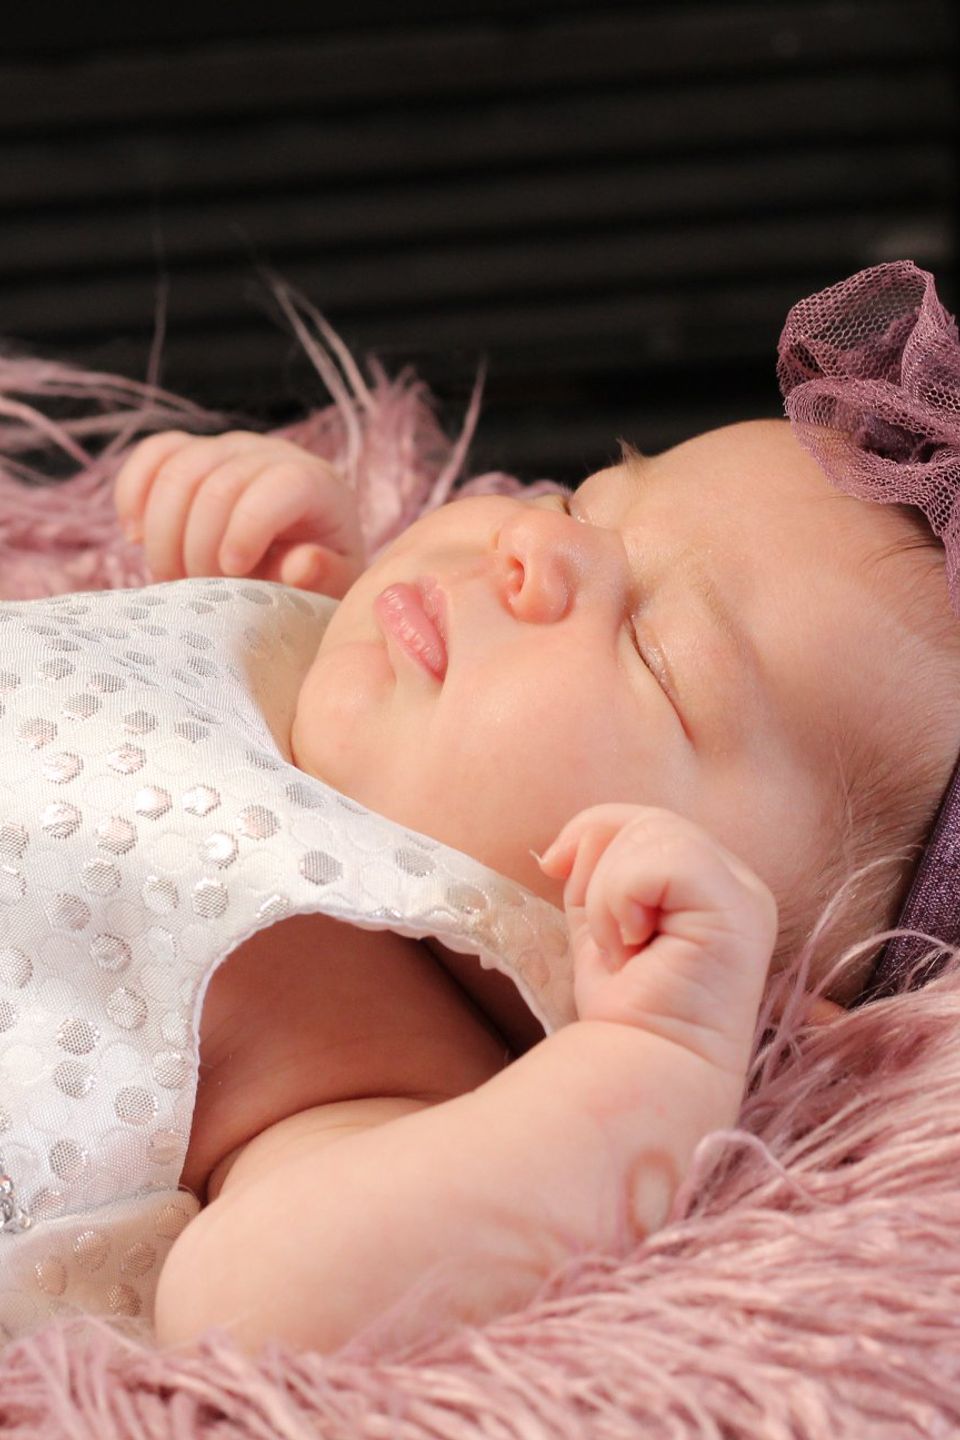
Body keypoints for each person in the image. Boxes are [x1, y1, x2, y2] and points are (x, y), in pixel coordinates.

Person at [101, 261, 960, 1356]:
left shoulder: (365, 1055)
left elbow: (245, 1305)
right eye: (584, 498)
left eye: (655, 653)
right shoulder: (312, 664)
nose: (536, 544)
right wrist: (281, 578)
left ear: (766, 1006)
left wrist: (644, 1067)